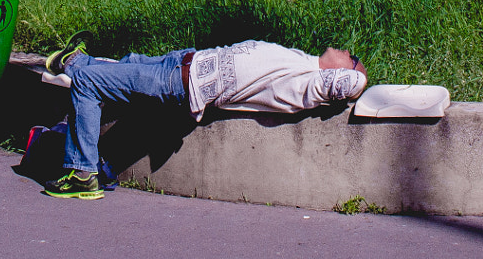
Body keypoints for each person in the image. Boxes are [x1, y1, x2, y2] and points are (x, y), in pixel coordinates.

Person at [37, 39, 368, 199]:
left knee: (88, 83)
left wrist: (359, 73)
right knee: (127, 62)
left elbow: (355, 82)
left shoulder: (308, 84)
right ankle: (77, 61)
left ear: (342, 72)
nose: (345, 49)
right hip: (183, 62)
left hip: (180, 84)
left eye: (351, 57)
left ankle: (82, 172)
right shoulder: (304, 62)